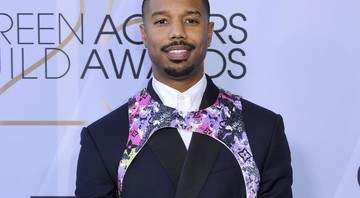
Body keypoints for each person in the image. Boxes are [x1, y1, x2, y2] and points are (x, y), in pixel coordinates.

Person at [75, 0, 293, 197]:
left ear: (208, 32)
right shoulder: (103, 138)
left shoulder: (263, 129)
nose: (177, 32)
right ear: (144, 34)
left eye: (191, 20)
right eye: (161, 21)